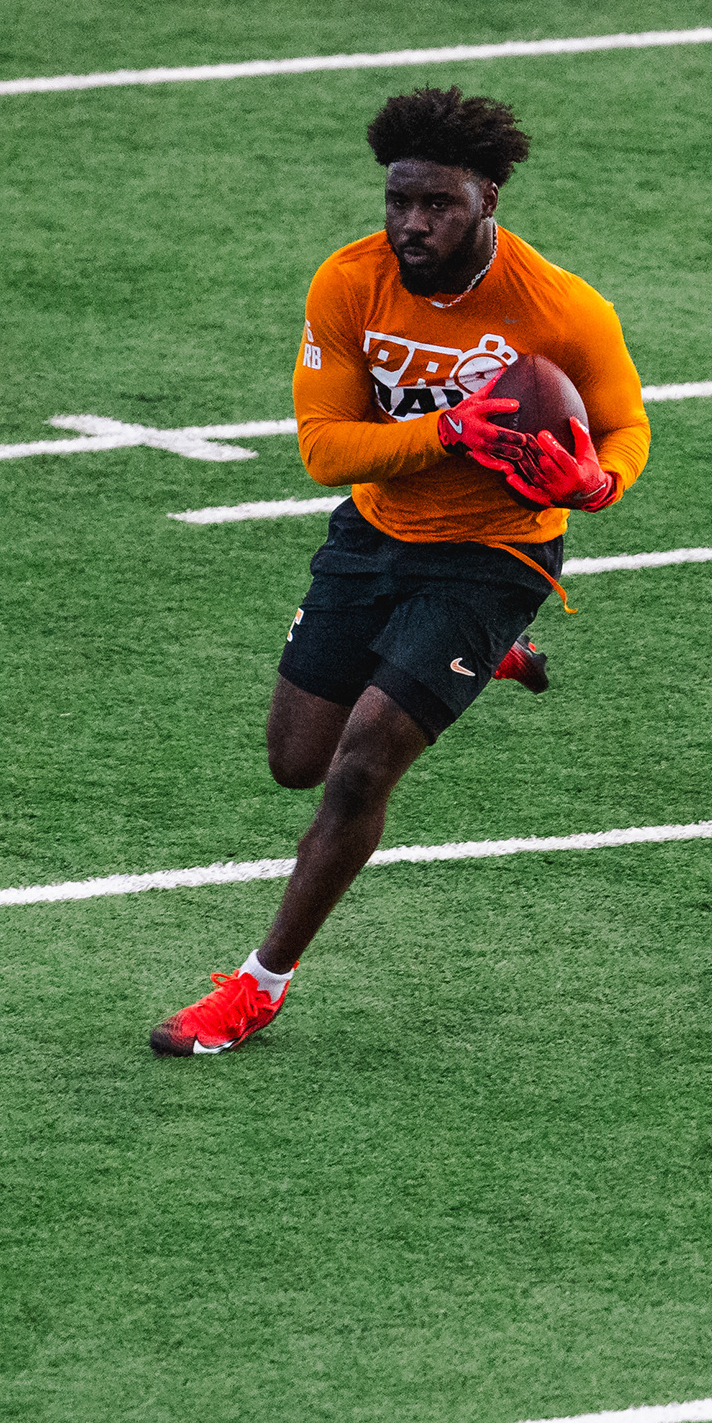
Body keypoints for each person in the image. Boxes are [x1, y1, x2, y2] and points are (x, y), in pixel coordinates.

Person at [150, 85, 651, 1057]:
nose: (413, 224)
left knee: (358, 767)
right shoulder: (349, 283)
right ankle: (479, 660)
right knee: (294, 761)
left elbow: (625, 425)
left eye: (438, 205)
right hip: (376, 535)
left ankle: (256, 987)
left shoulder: (562, 308)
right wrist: (448, 432)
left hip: (496, 553)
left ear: (488, 199)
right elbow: (325, 451)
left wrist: (596, 483)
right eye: (399, 200)